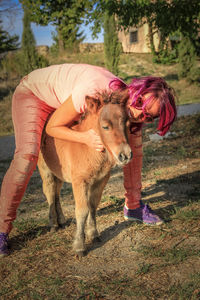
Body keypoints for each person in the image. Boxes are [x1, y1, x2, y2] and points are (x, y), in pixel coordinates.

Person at [0, 63, 176, 257]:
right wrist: (85, 138)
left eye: (148, 117)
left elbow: (132, 148)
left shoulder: (125, 106)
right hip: (33, 94)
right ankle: (2, 229)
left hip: (66, 99)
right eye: (141, 106)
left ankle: (133, 206)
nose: (139, 115)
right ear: (136, 91)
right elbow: (53, 128)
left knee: (133, 142)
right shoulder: (95, 90)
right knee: (27, 156)